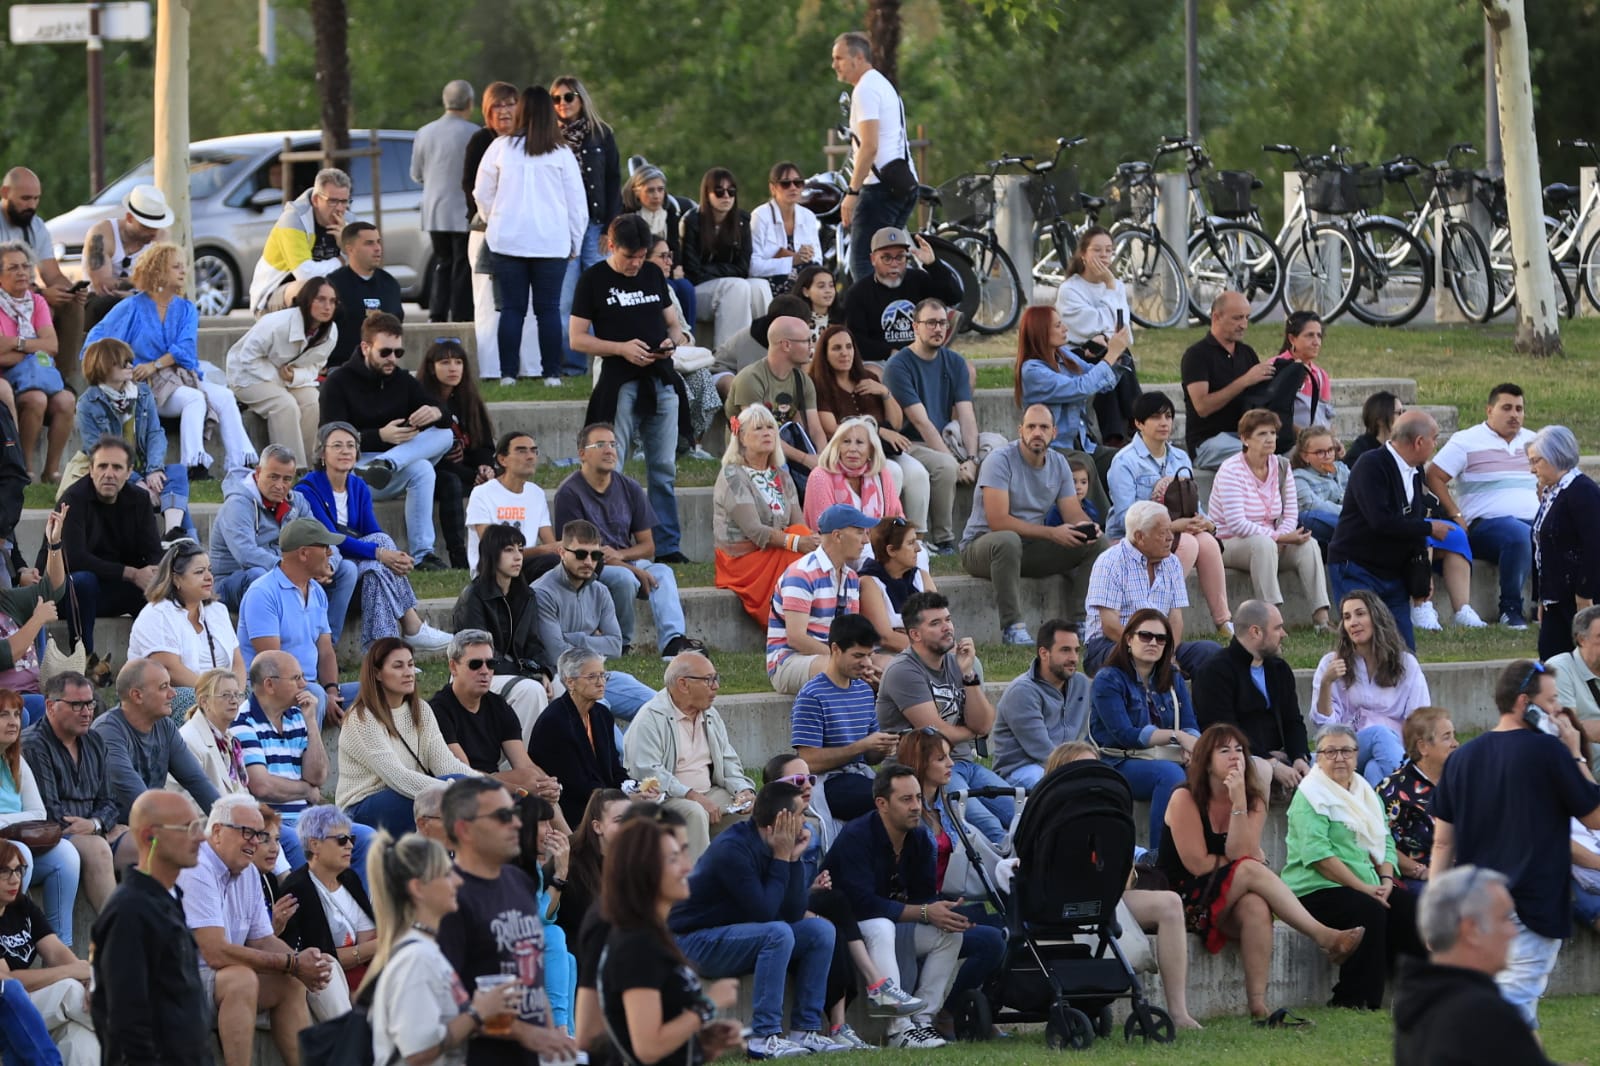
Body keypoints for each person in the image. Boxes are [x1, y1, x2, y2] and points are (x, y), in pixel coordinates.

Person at [1430, 659, 1600, 1029]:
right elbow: (1595, 818)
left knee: (1511, 1014)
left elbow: (1442, 844)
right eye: (1551, 701)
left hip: (1477, 909)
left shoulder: (1461, 758)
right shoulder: (1551, 752)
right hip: (1531, 906)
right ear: (1525, 703)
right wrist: (1573, 751)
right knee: (1508, 1017)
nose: (1558, 711)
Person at [1156, 724, 1367, 1021]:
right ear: (1206, 760)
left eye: (1239, 750)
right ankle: (1324, 936)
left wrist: (1239, 802)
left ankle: (1258, 1003)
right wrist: (1244, 861)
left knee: (1256, 905)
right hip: (1182, 899)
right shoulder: (1184, 798)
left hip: (1224, 893)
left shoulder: (1252, 798)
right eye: (1224, 750)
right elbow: (1199, 865)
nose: (1235, 757)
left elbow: (1239, 852)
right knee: (1249, 868)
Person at [667, 780, 837, 1058]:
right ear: (778, 823)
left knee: (820, 931)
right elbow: (765, 914)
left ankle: (805, 1030)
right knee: (778, 933)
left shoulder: (776, 845)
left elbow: (793, 913)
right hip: (693, 942)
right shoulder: (732, 849)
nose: (805, 822)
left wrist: (793, 859)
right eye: (800, 815)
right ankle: (763, 1036)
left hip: (735, 936)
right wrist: (782, 858)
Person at [177, 792, 327, 1066]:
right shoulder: (197, 866)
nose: (255, 842)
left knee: (290, 981)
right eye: (247, 832)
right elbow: (215, 953)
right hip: (174, 983)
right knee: (241, 979)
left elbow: (263, 939)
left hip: (212, 981)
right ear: (217, 832)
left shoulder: (247, 871)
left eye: (259, 834)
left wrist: (303, 964)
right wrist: (293, 962)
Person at [571, 216, 690, 561]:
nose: (635, 264)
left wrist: (672, 342)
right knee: (614, 464)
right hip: (619, 381)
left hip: (660, 376)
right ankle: (615, 542)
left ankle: (668, 546)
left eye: (640, 256)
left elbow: (674, 325)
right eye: (628, 257)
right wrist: (620, 348)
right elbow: (577, 339)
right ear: (611, 245)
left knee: (664, 468)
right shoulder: (593, 280)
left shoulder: (652, 273)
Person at [1282, 723, 1425, 1009]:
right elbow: (1319, 857)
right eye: (1330, 752)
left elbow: (1384, 841)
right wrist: (1364, 888)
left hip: (1366, 883)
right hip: (1316, 887)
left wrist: (1386, 881)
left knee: (1408, 906)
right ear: (1318, 758)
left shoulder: (1364, 791)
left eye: (1346, 751)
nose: (1339, 758)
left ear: (1357, 755)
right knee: (1368, 910)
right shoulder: (1310, 795)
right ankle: (1354, 999)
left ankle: (1422, 992)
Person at [438, 776, 578, 1063]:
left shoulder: (518, 881)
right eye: (503, 816)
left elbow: (535, 972)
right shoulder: (450, 898)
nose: (516, 823)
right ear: (465, 829)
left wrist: (551, 1032)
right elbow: (444, 1006)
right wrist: (522, 1032)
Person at [87, 240, 255, 477]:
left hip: (182, 376)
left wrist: (155, 364)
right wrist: (121, 369)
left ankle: (241, 463)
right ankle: (193, 464)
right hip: (145, 385)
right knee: (194, 398)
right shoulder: (131, 307)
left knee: (226, 396)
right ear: (157, 271)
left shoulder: (186, 308)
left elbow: (186, 348)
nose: (184, 271)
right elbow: (96, 341)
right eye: (176, 266)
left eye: (184, 266)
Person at [824, 766, 961, 1049]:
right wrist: (925, 912)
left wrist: (941, 911)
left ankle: (922, 1022)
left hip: (890, 920)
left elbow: (923, 897)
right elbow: (861, 904)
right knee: (882, 926)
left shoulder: (920, 838)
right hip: (847, 927)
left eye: (918, 798)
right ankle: (899, 1029)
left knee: (950, 934)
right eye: (906, 799)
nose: (916, 807)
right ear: (882, 804)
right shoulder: (856, 836)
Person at [364, 830, 522, 1066]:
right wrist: (477, 1012)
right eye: (447, 874)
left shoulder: (424, 947)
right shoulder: (416, 958)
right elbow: (418, 1052)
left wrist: (485, 1011)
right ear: (418, 888)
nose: (458, 881)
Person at [597, 817, 745, 1066]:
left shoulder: (653, 935)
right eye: (673, 859)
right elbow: (648, 1049)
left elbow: (662, 1032)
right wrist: (708, 1005)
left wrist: (703, 1042)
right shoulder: (636, 945)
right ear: (645, 872)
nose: (687, 867)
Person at [294, 423, 452, 652]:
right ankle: (410, 628)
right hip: (329, 564)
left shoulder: (357, 485)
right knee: (379, 554)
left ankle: (382, 651)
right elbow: (330, 537)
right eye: (337, 446)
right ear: (322, 454)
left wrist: (390, 556)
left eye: (350, 446)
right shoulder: (307, 489)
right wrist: (381, 553)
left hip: (357, 562)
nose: (345, 451)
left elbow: (372, 531)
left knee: (375, 570)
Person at [958, 404, 1106, 643]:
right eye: (1031, 427)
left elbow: (1072, 513)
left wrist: (1088, 527)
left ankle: (1082, 623)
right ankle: (1012, 628)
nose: (1037, 432)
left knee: (1098, 543)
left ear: (1054, 432)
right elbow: (998, 521)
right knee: (1008, 540)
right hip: (983, 547)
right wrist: (1052, 533)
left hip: (1029, 548)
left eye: (1044, 427)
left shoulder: (1059, 463)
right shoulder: (999, 460)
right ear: (1020, 430)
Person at [876, 590, 1013, 844]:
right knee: (991, 827)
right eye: (936, 623)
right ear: (915, 634)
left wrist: (968, 674)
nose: (947, 627)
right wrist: (972, 732)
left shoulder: (960, 662)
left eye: (948, 620)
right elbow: (937, 733)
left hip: (964, 764)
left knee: (1022, 811)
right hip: (926, 772)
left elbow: (984, 725)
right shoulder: (903, 671)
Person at [318, 312, 452, 570]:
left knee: (440, 440)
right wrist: (379, 436)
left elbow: (443, 416)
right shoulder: (338, 382)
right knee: (422, 466)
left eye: (398, 352)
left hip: (390, 467)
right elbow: (330, 437)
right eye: (385, 352)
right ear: (365, 347)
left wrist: (437, 412)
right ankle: (385, 463)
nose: (392, 358)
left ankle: (423, 554)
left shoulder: (402, 380)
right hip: (353, 471)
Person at [553, 423, 703, 652]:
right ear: (582, 454)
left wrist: (622, 556)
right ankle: (620, 643)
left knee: (663, 572)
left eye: (613, 444)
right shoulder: (569, 492)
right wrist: (632, 569)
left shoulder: (630, 487)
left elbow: (648, 547)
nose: (609, 450)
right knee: (624, 578)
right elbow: (578, 552)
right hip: (589, 564)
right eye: (600, 445)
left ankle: (673, 641)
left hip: (624, 560)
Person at [88, 789, 211, 1066]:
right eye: (188, 828)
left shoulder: (167, 899)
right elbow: (125, 1020)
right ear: (149, 836)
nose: (201, 837)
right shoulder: (129, 911)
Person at [475, 86, 587, 386]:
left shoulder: (501, 147)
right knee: (548, 310)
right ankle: (551, 374)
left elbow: (481, 192)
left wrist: (494, 218)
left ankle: (508, 375)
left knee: (512, 309)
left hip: (507, 241)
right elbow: (577, 204)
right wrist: (575, 241)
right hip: (551, 244)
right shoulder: (561, 153)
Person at [1393, 866, 1554, 1066]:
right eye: (1504, 919)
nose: (1513, 931)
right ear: (1472, 930)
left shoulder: (1419, 1001)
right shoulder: (1483, 1014)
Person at [231, 650, 373, 874]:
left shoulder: (296, 716)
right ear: (269, 685)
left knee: (366, 838)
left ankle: (357, 898)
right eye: (296, 678)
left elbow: (317, 776)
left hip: (307, 819)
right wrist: (306, 791)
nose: (304, 684)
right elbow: (261, 786)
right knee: (301, 845)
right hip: (272, 822)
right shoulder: (243, 722)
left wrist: (311, 722)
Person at [1105, 390, 1232, 635]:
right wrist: (1172, 527)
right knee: (1188, 543)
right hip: (1132, 538)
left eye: (1168, 416)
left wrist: (1205, 523)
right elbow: (1125, 519)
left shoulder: (1180, 457)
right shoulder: (1125, 461)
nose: (1164, 422)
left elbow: (1195, 507)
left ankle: (1223, 622)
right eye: (1155, 417)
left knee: (1206, 542)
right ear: (1139, 423)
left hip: (1177, 532)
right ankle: (1153, 614)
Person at [1328, 409, 1451, 651]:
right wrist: (1429, 528)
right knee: (1364, 647)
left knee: (1404, 652)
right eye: (1434, 438)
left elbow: (1412, 519)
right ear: (1419, 442)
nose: (1436, 445)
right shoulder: (1371, 464)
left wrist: (1422, 572)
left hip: (1393, 574)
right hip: (1357, 567)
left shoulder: (1416, 471)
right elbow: (1380, 521)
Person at [1426, 383, 1539, 630]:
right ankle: (1510, 609)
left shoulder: (1535, 442)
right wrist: (1455, 513)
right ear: (1489, 410)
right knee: (1520, 534)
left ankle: (1543, 605)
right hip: (1485, 525)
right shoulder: (1467, 440)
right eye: (1506, 408)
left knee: (1553, 530)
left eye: (1519, 409)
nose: (1514, 415)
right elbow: (1433, 475)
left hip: (1532, 521)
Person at [888, 296, 996, 552]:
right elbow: (921, 422)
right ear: (915, 327)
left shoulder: (955, 362)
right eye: (931, 323)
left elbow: (966, 415)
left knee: (999, 448)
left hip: (948, 436)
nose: (938, 329)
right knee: (945, 466)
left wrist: (972, 459)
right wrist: (956, 464)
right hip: (913, 442)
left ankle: (990, 529)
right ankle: (944, 539)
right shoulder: (899, 365)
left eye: (942, 323)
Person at [625, 651, 757, 860]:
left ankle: (742, 876)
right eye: (708, 680)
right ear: (683, 684)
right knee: (694, 812)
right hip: (667, 799)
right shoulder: (650, 718)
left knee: (752, 809)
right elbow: (648, 771)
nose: (716, 686)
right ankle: (696, 878)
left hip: (708, 793)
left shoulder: (710, 714)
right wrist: (693, 796)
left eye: (716, 678)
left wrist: (743, 790)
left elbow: (728, 760)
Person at [1209, 408, 1332, 630]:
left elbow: (1291, 513)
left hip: (1271, 540)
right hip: (1230, 543)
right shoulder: (1230, 470)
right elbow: (1237, 523)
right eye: (1262, 434)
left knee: (1309, 544)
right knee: (1263, 544)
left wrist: (1282, 535)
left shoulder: (1281, 465)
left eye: (1273, 433)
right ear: (1245, 439)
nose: (1270, 439)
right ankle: (1273, 622)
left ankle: (1321, 619)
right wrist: (1278, 537)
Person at [337, 639, 475, 835]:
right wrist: (454, 791)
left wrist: (486, 787)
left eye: (410, 665)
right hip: (361, 807)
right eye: (398, 666)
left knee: (463, 784)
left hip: (406, 795)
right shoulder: (362, 718)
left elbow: (446, 764)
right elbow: (397, 777)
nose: (409, 672)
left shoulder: (421, 709)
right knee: (455, 798)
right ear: (377, 673)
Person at [1087, 607, 1200, 841]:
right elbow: (1126, 735)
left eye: (1161, 638)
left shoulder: (1173, 676)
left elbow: (1189, 722)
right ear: (1129, 639)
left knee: (1214, 770)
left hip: (1166, 755)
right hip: (1118, 760)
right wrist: (1178, 737)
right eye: (1145, 636)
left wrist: (1192, 746)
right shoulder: (1108, 679)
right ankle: (1159, 856)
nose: (1153, 643)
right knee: (1170, 774)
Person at [64, 337, 191, 543]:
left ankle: (172, 533)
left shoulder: (143, 393)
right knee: (172, 498)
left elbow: (155, 433)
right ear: (104, 366)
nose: (131, 366)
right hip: (113, 472)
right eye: (123, 363)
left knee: (176, 472)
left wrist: (154, 469)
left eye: (130, 361)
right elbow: (95, 449)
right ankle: (181, 541)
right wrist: (135, 480)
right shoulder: (88, 403)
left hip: (144, 468)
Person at [532, 518, 658, 720]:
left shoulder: (600, 591)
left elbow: (615, 646)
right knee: (601, 714)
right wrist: (595, 641)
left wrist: (572, 638)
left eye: (596, 555)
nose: (589, 562)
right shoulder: (542, 592)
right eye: (581, 554)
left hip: (599, 676)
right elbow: (557, 654)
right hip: (565, 680)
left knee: (660, 706)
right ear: (562, 552)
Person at [55, 435, 163, 657]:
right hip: (68, 594)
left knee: (155, 586)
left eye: (117, 467)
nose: (109, 474)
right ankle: (83, 660)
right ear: (91, 469)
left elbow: (154, 552)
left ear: (129, 472)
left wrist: (152, 574)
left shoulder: (139, 500)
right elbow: (74, 559)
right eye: (102, 466)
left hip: (112, 589)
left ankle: (156, 661)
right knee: (83, 580)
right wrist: (131, 573)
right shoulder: (73, 499)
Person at [808, 324, 926, 526]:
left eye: (849, 347)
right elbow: (831, 428)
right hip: (850, 453)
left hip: (885, 449)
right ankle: (882, 532)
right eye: (837, 348)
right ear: (824, 353)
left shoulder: (869, 378)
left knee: (918, 474)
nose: (844, 353)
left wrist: (884, 392)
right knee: (892, 472)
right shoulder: (819, 384)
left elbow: (896, 423)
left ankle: (915, 536)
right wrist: (877, 431)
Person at [1191, 600, 1314, 794]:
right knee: (1262, 770)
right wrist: (1270, 761)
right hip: (1239, 757)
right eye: (1278, 628)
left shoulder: (1279, 669)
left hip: (1282, 755)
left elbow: (1293, 720)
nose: (1284, 634)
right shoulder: (1214, 672)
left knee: (1329, 765)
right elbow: (1224, 729)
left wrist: (1299, 756)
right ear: (1255, 631)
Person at [1082, 501, 1218, 674]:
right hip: (1113, 643)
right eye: (1163, 533)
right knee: (1136, 660)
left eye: (1170, 530)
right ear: (1139, 536)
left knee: (1210, 652)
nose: (1170, 537)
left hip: (1159, 644)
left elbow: (1175, 618)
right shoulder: (1110, 561)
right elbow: (1110, 625)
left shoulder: (1172, 562)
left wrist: (1168, 654)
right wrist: (1148, 652)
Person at [22, 670, 124, 902]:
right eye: (77, 705)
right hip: (54, 838)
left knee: (148, 840)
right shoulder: (33, 745)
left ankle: (155, 921)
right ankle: (115, 925)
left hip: (92, 828)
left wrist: (95, 824)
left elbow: (110, 801)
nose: (87, 712)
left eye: (90, 703)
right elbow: (50, 814)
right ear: (50, 706)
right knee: (98, 849)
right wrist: (96, 830)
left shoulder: (95, 740)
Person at [234, 518, 348, 726]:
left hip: (310, 687)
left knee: (374, 691)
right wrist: (318, 692)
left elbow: (326, 651)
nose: (330, 553)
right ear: (304, 553)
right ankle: (304, 748)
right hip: (273, 689)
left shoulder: (317, 591)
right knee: (314, 694)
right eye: (324, 547)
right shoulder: (263, 593)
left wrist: (332, 691)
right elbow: (274, 665)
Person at [1311, 591, 1432, 785]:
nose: (1353, 622)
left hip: (1394, 748)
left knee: (1374, 769)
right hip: (1346, 747)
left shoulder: (1406, 664)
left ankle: (1385, 805)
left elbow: (1419, 719)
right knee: (1379, 734)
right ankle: (1416, 788)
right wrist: (1326, 683)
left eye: (1360, 614)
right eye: (1347, 617)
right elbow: (1327, 728)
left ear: (1376, 617)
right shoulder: (1331, 664)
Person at [430, 629, 563, 804]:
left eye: (491, 663)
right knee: (530, 781)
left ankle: (564, 821)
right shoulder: (438, 709)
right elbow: (462, 773)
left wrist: (550, 785)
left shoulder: (497, 705)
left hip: (492, 782)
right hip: (457, 791)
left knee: (538, 782)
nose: (485, 671)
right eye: (475, 664)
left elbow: (524, 763)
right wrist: (522, 790)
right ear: (453, 667)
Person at [791, 613, 900, 824]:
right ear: (835, 649)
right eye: (858, 655)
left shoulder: (864, 691)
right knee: (889, 801)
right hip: (826, 782)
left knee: (908, 792)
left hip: (858, 775)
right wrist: (860, 746)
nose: (866, 663)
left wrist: (882, 748)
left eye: (869, 655)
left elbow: (871, 758)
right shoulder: (812, 696)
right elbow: (808, 761)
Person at [0, 835, 99, 1064]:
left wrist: (88, 980)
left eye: (19, 870)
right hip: (9, 1012)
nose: (15, 879)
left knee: (81, 1037)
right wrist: (73, 972)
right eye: (4, 871)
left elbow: (56, 952)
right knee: (69, 990)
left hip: (33, 1004)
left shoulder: (21, 906)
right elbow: (8, 983)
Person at [1180, 291, 1305, 469]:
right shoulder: (1197, 355)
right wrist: (1245, 380)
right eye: (1237, 318)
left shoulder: (1246, 353)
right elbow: (1202, 407)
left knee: (1304, 452)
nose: (1244, 325)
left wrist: (1303, 435)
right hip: (1209, 443)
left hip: (1248, 437)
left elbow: (1264, 405)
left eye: (1247, 317)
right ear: (1216, 317)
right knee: (1262, 452)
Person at [830, 31, 918, 282]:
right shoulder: (881, 83)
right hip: (902, 184)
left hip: (880, 190)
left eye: (839, 58)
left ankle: (874, 310)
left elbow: (869, 146)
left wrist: (852, 192)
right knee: (889, 266)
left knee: (862, 264)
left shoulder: (865, 90)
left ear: (858, 58)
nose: (834, 65)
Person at [223, 277, 338, 469]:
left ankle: (311, 468)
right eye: (321, 299)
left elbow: (316, 366)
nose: (327, 306)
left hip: (288, 379)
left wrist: (294, 377)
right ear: (307, 300)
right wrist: (279, 377)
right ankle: (291, 469)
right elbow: (247, 358)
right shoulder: (276, 323)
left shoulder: (330, 332)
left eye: (332, 301)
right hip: (247, 376)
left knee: (312, 400)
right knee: (285, 405)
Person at [713, 403, 813, 623]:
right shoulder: (733, 476)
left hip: (777, 550)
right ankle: (796, 622)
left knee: (814, 549)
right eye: (758, 428)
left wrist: (812, 541)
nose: (767, 433)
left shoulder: (782, 475)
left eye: (770, 427)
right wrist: (798, 542)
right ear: (741, 437)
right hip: (742, 562)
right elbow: (755, 531)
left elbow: (799, 524)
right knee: (801, 553)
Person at [0, 690, 84, 948]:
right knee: (19, 853)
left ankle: (61, 946)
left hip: (12, 841)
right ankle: (9, 941)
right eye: (3, 715)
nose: (13, 722)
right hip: (12, 848)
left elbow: (38, 814)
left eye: (16, 715)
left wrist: (4, 822)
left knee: (66, 854)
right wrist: (13, 823)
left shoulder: (15, 759)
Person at [463, 80, 534, 382]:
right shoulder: (482, 141)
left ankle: (532, 368)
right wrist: (498, 218)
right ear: (487, 111)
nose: (504, 111)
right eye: (497, 106)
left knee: (528, 303)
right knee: (488, 303)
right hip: (487, 230)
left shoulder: (531, 141)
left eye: (509, 104)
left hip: (525, 234)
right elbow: (472, 188)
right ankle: (492, 368)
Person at [279, 804, 377, 1019]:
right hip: (326, 978)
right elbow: (318, 955)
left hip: (361, 972)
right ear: (314, 844)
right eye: (342, 839)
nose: (350, 845)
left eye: (351, 838)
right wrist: (378, 946)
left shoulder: (349, 878)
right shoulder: (297, 889)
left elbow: (368, 936)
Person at [209, 446, 332, 617]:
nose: (280, 486)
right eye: (273, 477)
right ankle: (271, 632)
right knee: (260, 576)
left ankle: (324, 632)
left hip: (285, 571)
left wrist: (325, 565)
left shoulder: (297, 501)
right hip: (231, 581)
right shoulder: (237, 504)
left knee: (346, 570)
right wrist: (296, 570)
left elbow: (322, 537)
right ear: (258, 472)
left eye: (287, 479)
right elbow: (246, 554)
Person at [94, 657, 220, 825]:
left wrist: (229, 823)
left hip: (149, 824)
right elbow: (139, 798)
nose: (173, 693)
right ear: (137, 695)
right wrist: (175, 830)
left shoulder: (165, 726)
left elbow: (197, 781)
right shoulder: (108, 731)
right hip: (112, 827)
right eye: (163, 687)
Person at [553, 75, 622, 375]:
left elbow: (613, 181)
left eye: (568, 97)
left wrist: (610, 227)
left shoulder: (601, 134)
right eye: (556, 98)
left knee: (602, 291)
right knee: (565, 296)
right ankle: (572, 364)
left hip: (596, 225)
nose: (562, 103)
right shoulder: (547, 138)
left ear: (581, 99)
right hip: (562, 227)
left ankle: (604, 359)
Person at [452, 522, 554, 722]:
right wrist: (527, 674)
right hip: (477, 673)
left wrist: (543, 671)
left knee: (564, 687)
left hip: (516, 671)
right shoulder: (473, 597)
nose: (518, 557)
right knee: (531, 690)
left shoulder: (526, 595)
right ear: (492, 555)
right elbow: (478, 654)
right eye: (509, 550)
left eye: (520, 550)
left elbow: (533, 643)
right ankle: (522, 744)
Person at [766, 504, 873, 695]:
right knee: (840, 670)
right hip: (788, 661)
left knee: (889, 667)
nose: (866, 540)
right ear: (837, 536)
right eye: (859, 532)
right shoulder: (801, 573)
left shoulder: (851, 577)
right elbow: (796, 639)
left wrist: (864, 659)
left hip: (834, 656)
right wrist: (847, 660)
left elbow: (852, 634)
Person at [128, 542, 245, 714]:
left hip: (223, 694)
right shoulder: (157, 614)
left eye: (209, 570)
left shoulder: (218, 611)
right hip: (175, 695)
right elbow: (171, 671)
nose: (209, 577)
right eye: (199, 572)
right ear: (176, 579)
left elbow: (237, 663)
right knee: (188, 697)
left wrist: (237, 694)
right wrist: (217, 695)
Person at [1053, 227, 1142, 445]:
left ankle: (1137, 419)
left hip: (1107, 348)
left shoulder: (1116, 285)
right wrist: (1103, 333)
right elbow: (1088, 325)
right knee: (1104, 358)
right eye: (1097, 250)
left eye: (1108, 250)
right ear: (1083, 254)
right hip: (1076, 350)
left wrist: (1105, 335)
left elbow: (1123, 329)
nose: (1104, 256)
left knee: (1118, 354)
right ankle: (1115, 435)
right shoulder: (1070, 289)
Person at [1014, 303, 1123, 475]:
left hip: (1082, 444)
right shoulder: (1032, 371)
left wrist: (1116, 353)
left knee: (1123, 459)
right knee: (1084, 464)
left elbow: (1103, 383)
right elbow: (1080, 388)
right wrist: (1110, 356)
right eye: (1058, 326)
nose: (1065, 329)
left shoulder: (1063, 354)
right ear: (1041, 332)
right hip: (1053, 449)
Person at [419, 338, 498, 571]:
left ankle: (498, 550)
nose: (453, 368)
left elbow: (484, 443)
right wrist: (470, 475)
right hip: (434, 474)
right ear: (431, 368)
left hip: (468, 471)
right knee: (450, 482)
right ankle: (458, 555)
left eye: (458, 362)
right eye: (445, 362)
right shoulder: (423, 402)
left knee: (503, 477)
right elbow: (430, 458)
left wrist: (485, 467)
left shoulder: (468, 399)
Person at [530, 649, 628, 829]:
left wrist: (633, 787)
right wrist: (620, 800)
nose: (601, 683)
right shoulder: (554, 721)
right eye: (592, 677)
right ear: (570, 682)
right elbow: (575, 784)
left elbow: (614, 768)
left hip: (602, 801)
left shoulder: (602, 714)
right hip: (572, 811)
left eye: (603, 675)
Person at [0, 241, 73, 481]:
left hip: (36, 375)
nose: (22, 272)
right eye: (13, 268)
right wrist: (33, 345)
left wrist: (16, 343)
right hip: (6, 379)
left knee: (66, 400)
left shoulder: (36, 302)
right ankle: (25, 468)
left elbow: (51, 345)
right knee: (36, 399)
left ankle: (52, 471)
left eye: (25, 266)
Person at [1526, 424, 1600, 659]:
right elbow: (1544, 547)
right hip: (1555, 600)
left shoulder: (1582, 491)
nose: (1532, 469)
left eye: (1536, 461)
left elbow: (1594, 545)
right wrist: (1542, 597)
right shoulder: (1552, 492)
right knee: (1551, 663)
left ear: (1555, 456)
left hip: (1579, 600)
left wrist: (1585, 595)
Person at [726, 314, 826, 486]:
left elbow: (815, 429)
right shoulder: (751, 379)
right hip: (753, 453)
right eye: (806, 341)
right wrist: (805, 459)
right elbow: (758, 434)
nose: (812, 346)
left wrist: (823, 458)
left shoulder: (802, 381)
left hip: (786, 448)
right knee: (781, 471)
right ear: (786, 345)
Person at [680, 167, 772, 346]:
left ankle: (765, 348)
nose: (726, 197)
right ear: (707, 194)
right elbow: (693, 271)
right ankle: (730, 354)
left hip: (726, 284)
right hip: (698, 290)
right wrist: (728, 273)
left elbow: (743, 268)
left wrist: (717, 272)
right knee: (736, 286)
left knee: (760, 286)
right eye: (719, 192)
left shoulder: (742, 220)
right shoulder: (691, 221)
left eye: (731, 192)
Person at [993, 620, 1091, 788]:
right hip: (1021, 769)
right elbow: (1042, 751)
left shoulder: (1081, 684)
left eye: (1076, 650)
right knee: (1053, 785)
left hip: (1066, 764)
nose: (1074, 658)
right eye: (1065, 650)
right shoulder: (1022, 692)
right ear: (1044, 653)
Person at [414, 78, 478, 323]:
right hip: (463, 212)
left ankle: (437, 314)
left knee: (442, 262)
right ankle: (461, 316)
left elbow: (416, 174)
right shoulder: (474, 133)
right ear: (470, 103)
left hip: (435, 211)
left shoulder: (424, 132)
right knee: (463, 265)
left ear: (445, 101)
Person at [1376, 706, 1458, 892]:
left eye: (1453, 735)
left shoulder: (1460, 779)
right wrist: (1419, 871)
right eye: (1447, 737)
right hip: (1421, 877)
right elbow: (1379, 843)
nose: (1455, 743)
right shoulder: (1394, 790)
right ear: (1423, 747)